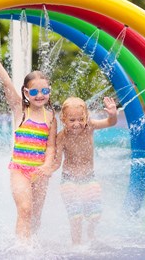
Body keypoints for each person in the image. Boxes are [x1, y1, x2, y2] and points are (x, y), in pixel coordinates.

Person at [0, 40, 57, 242]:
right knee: (25, 210)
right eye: (34, 92)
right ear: (25, 93)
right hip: (20, 170)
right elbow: (6, 83)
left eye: (45, 91)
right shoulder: (21, 110)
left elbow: (50, 146)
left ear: (49, 91)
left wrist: (48, 165)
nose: (40, 95)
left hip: (40, 172)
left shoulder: (51, 117)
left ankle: (33, 246)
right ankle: (22, 251)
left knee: (36, 215)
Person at [52, 96, 117, 245]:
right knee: (76, 217)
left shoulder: (90, 126)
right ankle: (76, 245)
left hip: (89, 177)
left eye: (81, 119)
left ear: (86, 117)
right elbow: (57, 162)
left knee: (95, 214)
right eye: (72, 120)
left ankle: (91, 236)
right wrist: (46, 170)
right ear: (63, 119)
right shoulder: (61, 137)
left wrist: (112, 114)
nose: (77, 124)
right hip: (68, 179)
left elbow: (110, 122)